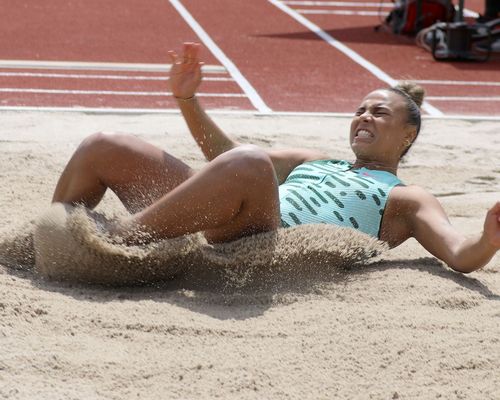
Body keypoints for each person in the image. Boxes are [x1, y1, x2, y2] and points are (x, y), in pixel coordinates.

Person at [52, 42, 500, 274]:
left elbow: (460, 254)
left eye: (379, 113)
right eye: (359, 109)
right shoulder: (316, 159)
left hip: (263, 240)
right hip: (221, 213)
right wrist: (188, 101)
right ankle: (49, 237)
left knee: (250, 163)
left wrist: (491, 236)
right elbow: (224, 161)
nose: (363, 116)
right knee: (105, 143)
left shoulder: (409, 196)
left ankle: (113, 239)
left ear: (408, 135)